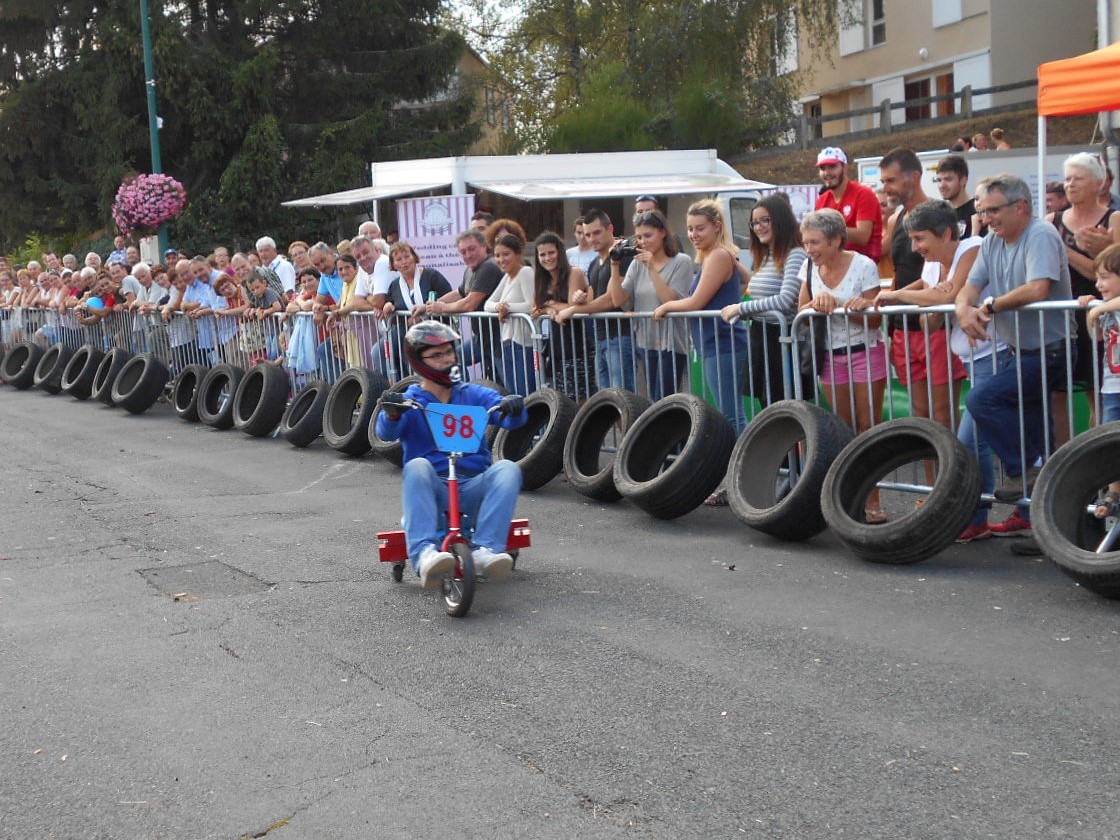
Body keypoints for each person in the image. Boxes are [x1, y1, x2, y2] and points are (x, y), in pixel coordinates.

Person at [375, 321, 527, 586]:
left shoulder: (472, 394)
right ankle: (424, 554)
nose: (446, 360)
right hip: (435, 488)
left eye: (449, 353)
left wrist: (514, 407)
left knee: (508, 469)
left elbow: (510, 418)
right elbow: (386, 432)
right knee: (417, 465)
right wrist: (392, 412)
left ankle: (485, 550)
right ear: (419, 360)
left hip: (472, 484)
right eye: (437, 355)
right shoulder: (412, 400)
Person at [956, 173, 1076, 509]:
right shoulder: (992, 240)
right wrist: (964, 309)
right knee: (1040, 436)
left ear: (1021, 206)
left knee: (983, 400)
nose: (986, 219)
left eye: (993, 210)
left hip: (1050, 350)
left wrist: (992, 305)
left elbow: (1038, 288)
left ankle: (1025, 468)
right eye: (983, 211)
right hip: (1019, 351)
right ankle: (1042, 522)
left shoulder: (1040, 233)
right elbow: (969, 285)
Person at [797, 208, 888, 522]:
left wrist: (848, 309)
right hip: (830, 356)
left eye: (815, 242)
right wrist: (816, 304)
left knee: (868, 428)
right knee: (843, 430)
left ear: (836, 239)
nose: (809, 249)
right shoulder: (808, 267)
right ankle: (848, 499)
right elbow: (801, 311)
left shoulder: (864, 265)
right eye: (805, 242)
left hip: (865, 349)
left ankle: (873, 501)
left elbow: (876, 319)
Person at [654, 198, 749, 445]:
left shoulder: (718, 255)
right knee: (729, 414)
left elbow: (696, 302)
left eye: (700, 228)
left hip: (722, 344)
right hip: (715, 344)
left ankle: (743, 472)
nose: (693, 234)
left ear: (717, 227)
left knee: (732, 416)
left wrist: (666, 306)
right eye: (690, 228)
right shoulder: (718, 255)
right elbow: (747, 278)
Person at [1048, 152, 1120, 442]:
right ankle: (1065, 466)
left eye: (1078, 179)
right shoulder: (1051, 220)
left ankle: (1098, 465)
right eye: (1067, 179)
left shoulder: (1113, 218)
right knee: (1058, 395)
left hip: (1099, 313)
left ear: (1098, 183)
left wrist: (1070, 251)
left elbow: (1109, 271)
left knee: (1098, 396)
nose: (1070, 184)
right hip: (1061, 316)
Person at [720, 195, 809, 405]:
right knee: (769, 409)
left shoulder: (795, 254)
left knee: (788, 409)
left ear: (780, 220)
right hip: (761, 338)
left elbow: (786, 300)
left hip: (783, 341)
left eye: (765, 220)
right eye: (754, 222)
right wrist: (744, 309)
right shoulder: (765, 256)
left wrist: (741, 308)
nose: (758, 227)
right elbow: (759, 296)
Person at [605, 210, 692, 401]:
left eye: (648, 235)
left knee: (666, 399)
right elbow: (618, 300)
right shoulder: (636, 265)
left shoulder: (681, 262)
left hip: (671, 341)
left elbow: (670, 300)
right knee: (654, 399)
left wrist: (652, 268)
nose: (643, 241)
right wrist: (614, 264)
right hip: (646, 340)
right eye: (639, 237)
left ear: (662, 233)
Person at [555, 208, 635, 392]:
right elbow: (592, 299)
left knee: (623, 396)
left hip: (621, 335)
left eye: (596, 232)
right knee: (606, 398)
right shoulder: (593, 264)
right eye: (587, 234)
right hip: (600, 338)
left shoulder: (622, 257)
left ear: (610, 229)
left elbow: (611, 300)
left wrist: (574, 309)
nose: (591, 238)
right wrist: (579, 300)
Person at [1081, 244, 1120, 518]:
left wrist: (1103, 306)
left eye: (1105, 277)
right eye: (1098, 277)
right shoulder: (1107, 310)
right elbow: (1095, 336)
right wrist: (1091, 311)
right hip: (1111, 386)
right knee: (1110, 440)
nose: (1099, 283)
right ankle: (1115, 490)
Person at [532, 232, 593, 400]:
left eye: (551, 252)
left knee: (582, 400)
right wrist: (546, 309)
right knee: (563, 401)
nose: (547, 258)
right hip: (557, 350)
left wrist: (550, 304)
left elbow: (571, 308)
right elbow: (534, 310)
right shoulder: (541, 279)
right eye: (542, 254)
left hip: (578, 347)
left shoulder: (575, 273)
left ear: (560, 252)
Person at [484, 233, 537, 395]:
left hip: (523, 344)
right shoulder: (507, 278)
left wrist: (507, 308)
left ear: (518, 254)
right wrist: (501, 307)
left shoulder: (526, 272)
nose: (501, 260)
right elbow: (488, 305)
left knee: (525, 394)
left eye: (506, 254)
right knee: (513, 394)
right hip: (507, 342)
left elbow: (531, 305)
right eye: (498, 255)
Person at [814, 146, 883, 263]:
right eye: (822, 168)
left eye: (832, 167)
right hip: (834, 265)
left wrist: (829, 230)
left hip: (862, 266)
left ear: (844, 167)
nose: (827, 173)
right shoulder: (822, 200)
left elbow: (863, 236)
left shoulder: (863, 193)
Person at [935, 154, 978, 237]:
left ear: (963, 180)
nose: (942, 185)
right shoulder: (941, 213)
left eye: (948, 179)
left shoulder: (977, 210)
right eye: (939, 180)